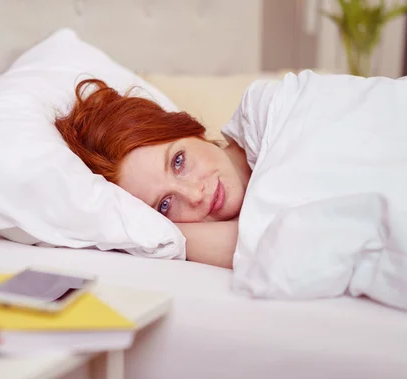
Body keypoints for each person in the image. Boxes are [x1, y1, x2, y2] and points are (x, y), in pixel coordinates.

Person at [55, 78, 257, 268]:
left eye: (178, 161)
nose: (194, 194)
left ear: (189, 128)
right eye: (165, 205)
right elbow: (267, 249)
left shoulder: (266, 112)